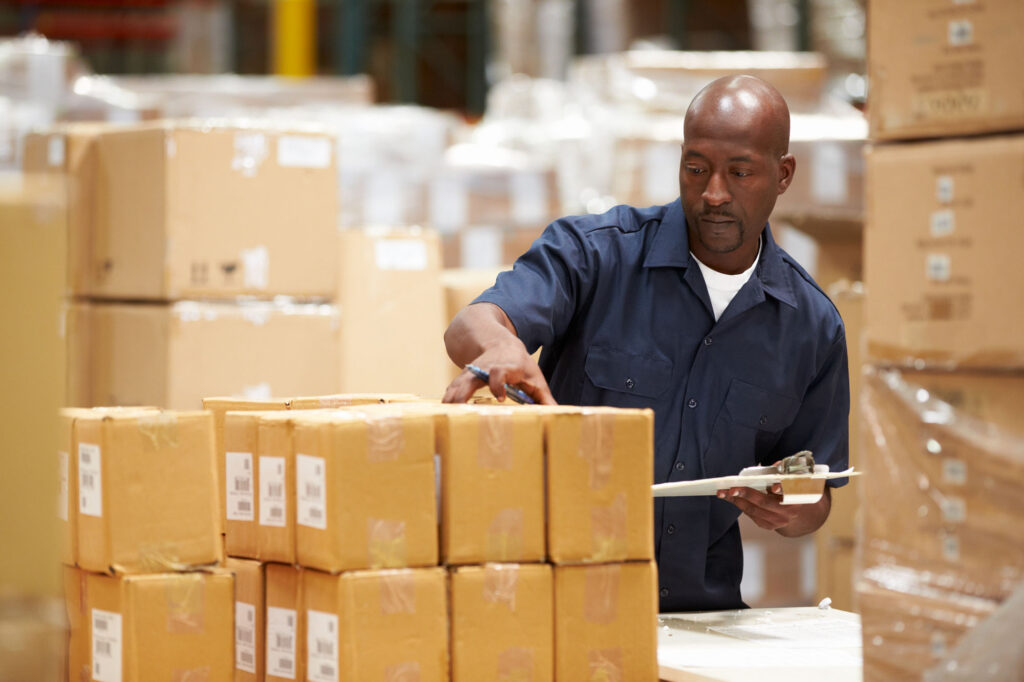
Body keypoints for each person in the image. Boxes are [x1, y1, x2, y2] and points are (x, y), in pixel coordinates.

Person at [442, 75, 849, 612]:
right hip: (562, 604)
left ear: (784, 174)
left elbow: (814, 497)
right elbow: (472, 323)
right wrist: (498, 346)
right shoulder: (594, 256)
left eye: (741, 172)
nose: (714, 194)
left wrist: (792, 509)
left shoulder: (811, 327)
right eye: (696, 168)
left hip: (700, 618)